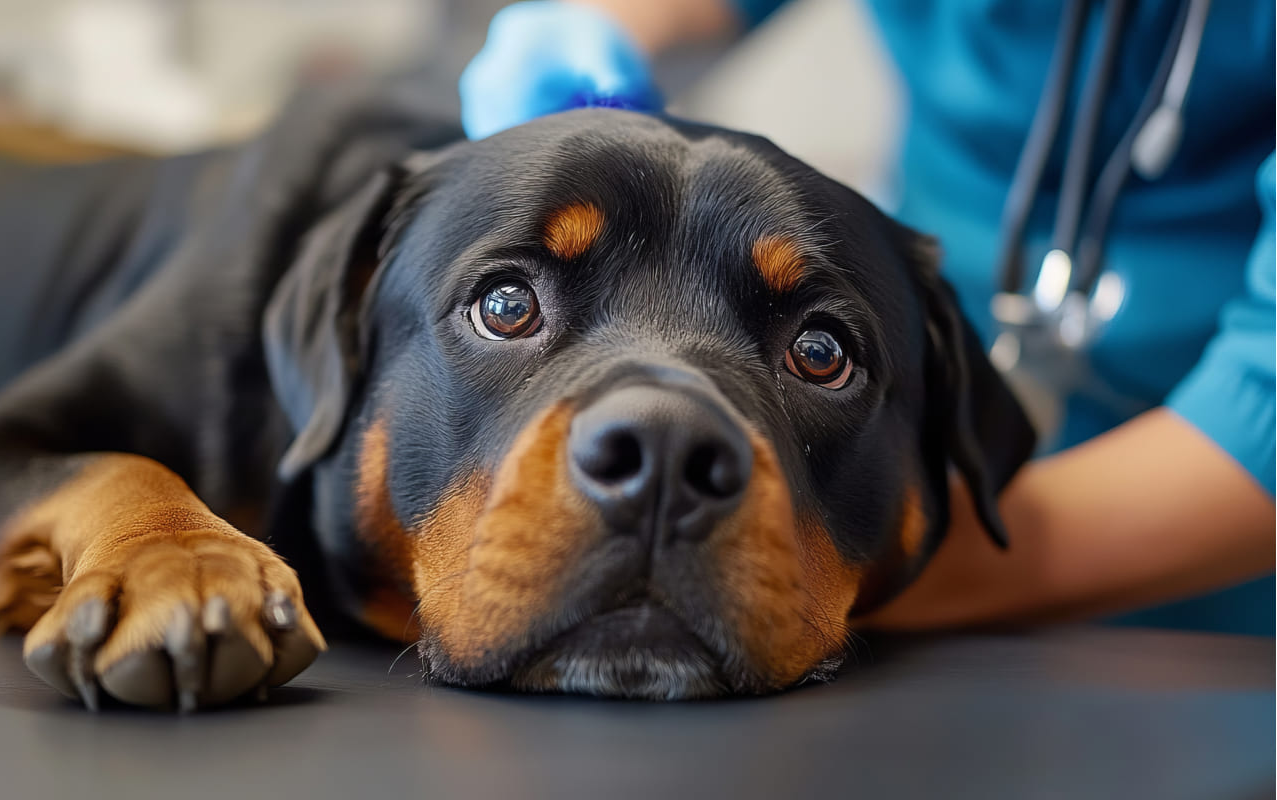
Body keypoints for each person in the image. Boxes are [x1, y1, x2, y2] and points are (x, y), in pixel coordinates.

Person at [458, 0, 1276, 634]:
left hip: (1226, 583)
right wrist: (603, 20)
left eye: (817, 351)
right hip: (945, 370)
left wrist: (824, 569)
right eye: (507, 310)